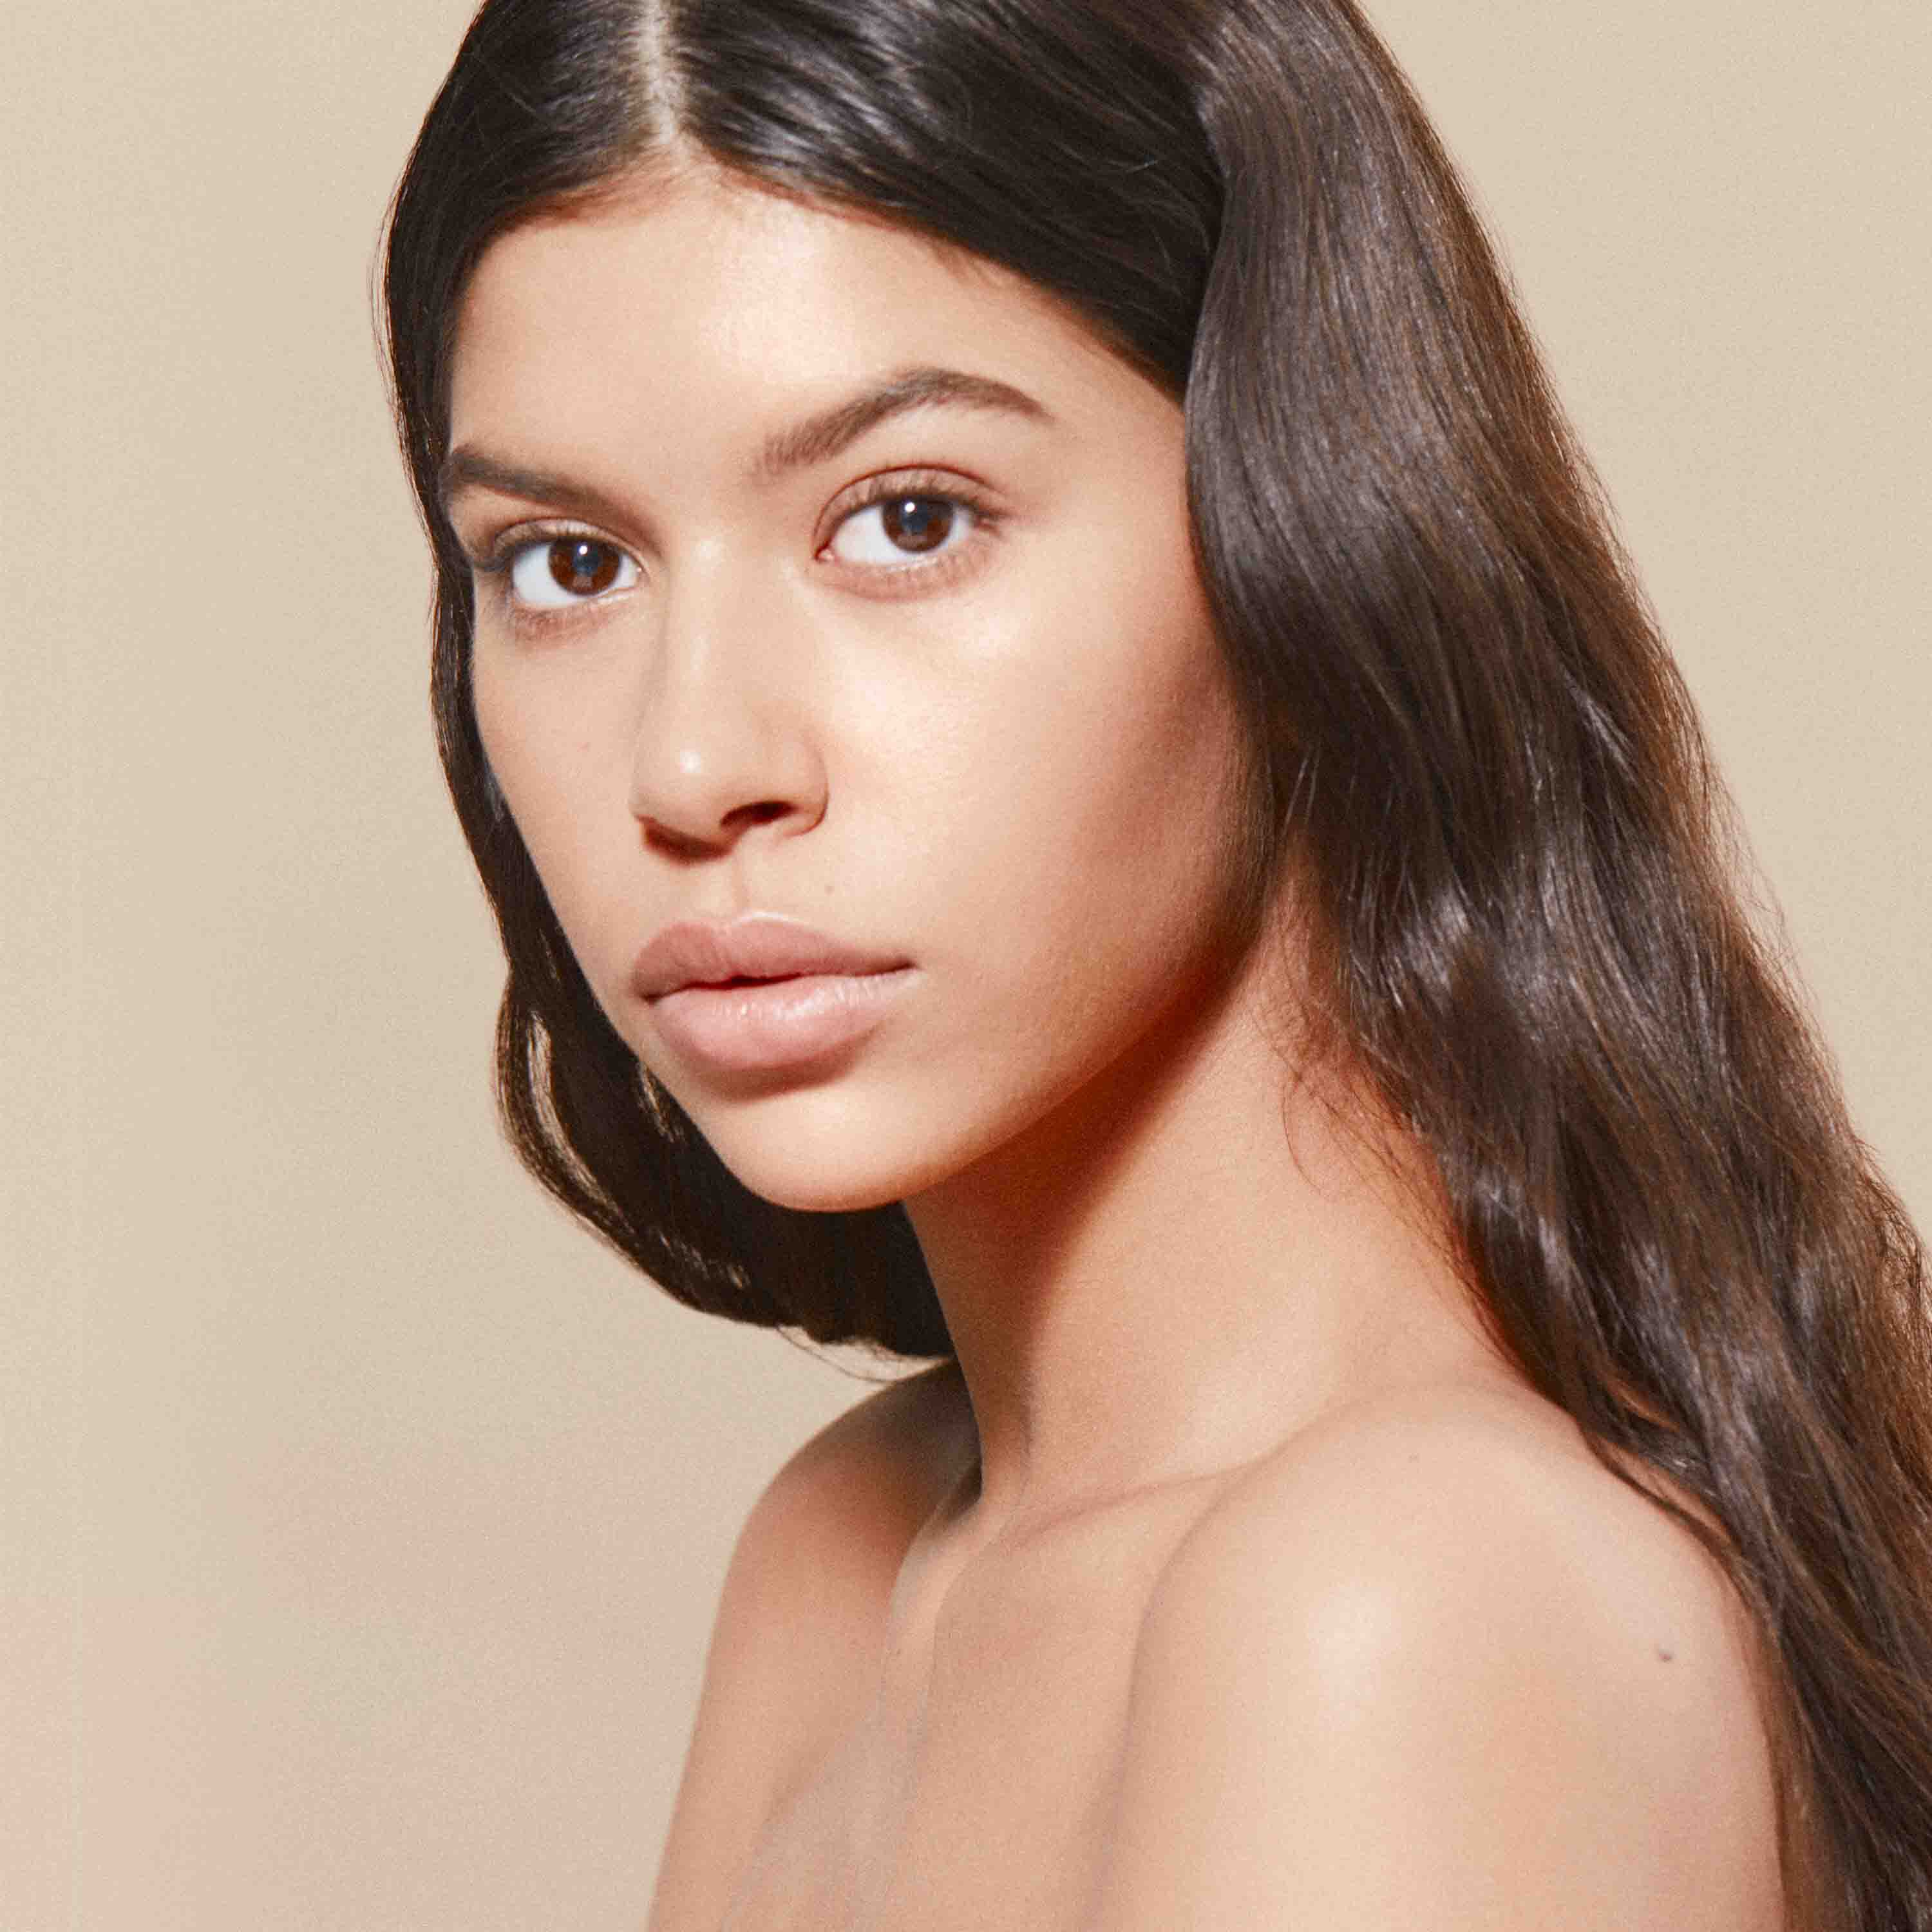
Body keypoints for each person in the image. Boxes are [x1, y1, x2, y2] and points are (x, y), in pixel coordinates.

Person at [381, 1, 1932, 1924]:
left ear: (1309, 531)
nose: (692, 765)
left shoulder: (1405, 1603)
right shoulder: (846, 1561)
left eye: (908, 519)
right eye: (568, 563)